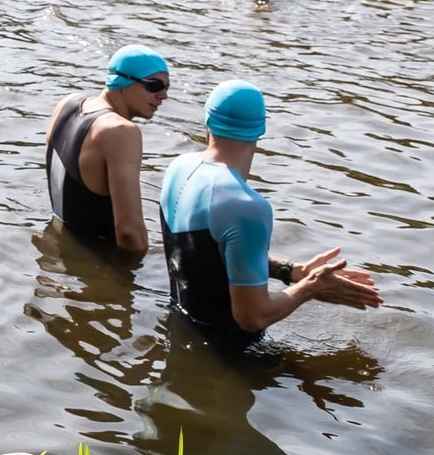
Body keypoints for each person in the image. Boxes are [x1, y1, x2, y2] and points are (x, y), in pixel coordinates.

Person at [158, 81, 381, 337]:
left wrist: (292, 272)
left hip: (180, 324)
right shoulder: (246, 205)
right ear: (260, 130)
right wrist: (310, 288)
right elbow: (253, 317)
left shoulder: (178, 167)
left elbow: (206, 254)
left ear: (207, 121)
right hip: (231, 352)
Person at [43, 45, 169, 251]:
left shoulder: (68, 103)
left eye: (166, 87)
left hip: (57, 245)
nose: (163, 95)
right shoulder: (120, 131)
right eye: (154, 85)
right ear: (124, 80)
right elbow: (128, 232)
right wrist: (142, 276)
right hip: (99, 258)